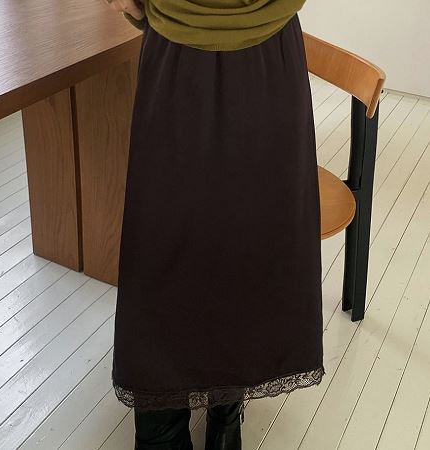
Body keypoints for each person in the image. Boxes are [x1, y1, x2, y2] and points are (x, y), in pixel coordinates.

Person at [104, 1, 325, 448]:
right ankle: (226, 415)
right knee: (245, 236)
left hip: (177, 57)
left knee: (165, 244)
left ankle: (164, 428)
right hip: (268, 60)